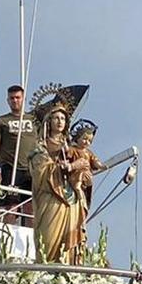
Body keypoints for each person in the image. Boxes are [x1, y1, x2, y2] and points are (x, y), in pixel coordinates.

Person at [27, 107, 93, 262]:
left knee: (70, 241)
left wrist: (84, 178)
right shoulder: (41, 147)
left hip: (72, 199)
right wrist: (69, 167)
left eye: (63, 118)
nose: (59, 122)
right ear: (48, 122)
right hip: (51, 198)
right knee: (49, 240)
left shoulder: (72, 148)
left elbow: (84, 170)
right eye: (56, 118)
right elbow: (40, 172)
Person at [0, 84, 32, 218]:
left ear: (23, 98)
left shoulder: (34, 120)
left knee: (30, 205)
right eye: (12, 98)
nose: (15, 100)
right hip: (10, 167)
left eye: (18, 97)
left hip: (30, 168)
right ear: (8, 100)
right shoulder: (2, 121)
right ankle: (6, 232)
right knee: (11, 205)